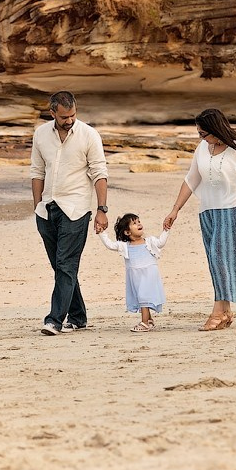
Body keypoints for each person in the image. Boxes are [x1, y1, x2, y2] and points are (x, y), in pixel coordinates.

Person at [162, 108, 236, 331]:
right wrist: (175, 210)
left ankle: (217, 313)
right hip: (208, 212)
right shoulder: (203, 148)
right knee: (216, 262)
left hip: (233, 211)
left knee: (220, 258)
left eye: (203, 133)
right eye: (199, 134)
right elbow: (191, 180)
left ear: (216, 130)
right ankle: (225, 312)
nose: (201, 138)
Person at [30, 90, 109, 336]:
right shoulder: (41, 134)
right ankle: (78, 316)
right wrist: (37, 207)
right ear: (52, 112)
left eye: (73, 114)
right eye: (64, 116)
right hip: (47, 209)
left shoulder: (88, 135)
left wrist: (101, 210)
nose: (69, 120)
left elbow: (100, 172)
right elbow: (37, 171)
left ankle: (54, 319)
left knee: (66, 264)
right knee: (61, 266)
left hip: (76, 209)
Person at [98, 212, 168, 332]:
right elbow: (110, 245)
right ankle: (149, 320)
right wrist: (101, 233)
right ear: (127, 232)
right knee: (141, 298)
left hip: (149, 274)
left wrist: (166, 230)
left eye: (139, 221)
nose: (139, 224)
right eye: (134, 223)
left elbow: (161, 243)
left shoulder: (149, 241)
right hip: (135, 276)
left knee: (143, 296)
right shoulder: (124, 246)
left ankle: (144, 322)